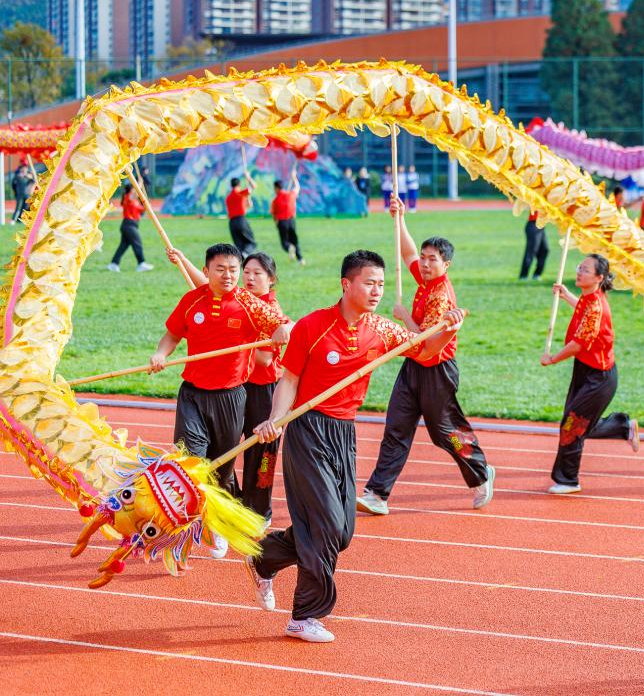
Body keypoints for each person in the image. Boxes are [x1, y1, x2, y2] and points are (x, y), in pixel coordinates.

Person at [245, 250, 464, 643]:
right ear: (346, 284)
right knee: (326, 526)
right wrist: (276, 420)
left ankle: (265, 557)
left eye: (381, 284)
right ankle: (305, 616)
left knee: (342, 533)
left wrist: (448, 329)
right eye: (369, 283)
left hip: (344, 433)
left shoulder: (383, 330)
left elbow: (426, 351)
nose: (377, 290)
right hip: (308, 430)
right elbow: (289, 380)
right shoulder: (313, 326)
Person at [150, 244, 290, 557]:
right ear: (207, 270)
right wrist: (160, 354)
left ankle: (219, 523)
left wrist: (283, 330)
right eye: (220, 269)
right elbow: (172, 334)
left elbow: (286, 324)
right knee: (191, 461)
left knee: (221, 469)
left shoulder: (250, 304)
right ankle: (191, 522)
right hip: (192, 393)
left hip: (231, 397)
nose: (228, 275)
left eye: (233, 270)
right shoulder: (192, 300)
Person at [360, 199, 494, 515]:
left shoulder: (441, 296)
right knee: (396, 427)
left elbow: (427, 344)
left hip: (436, 370)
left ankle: (480, 471)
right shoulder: (424, 280)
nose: (423, 263)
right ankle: (377, 494)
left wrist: (403, 317)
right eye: (424, 257)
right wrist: (400, 219)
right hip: (413, 367)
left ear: (446, 265)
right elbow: (407, 252)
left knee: (445, 434)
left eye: (432, 259)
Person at [540, 254, 639, 493]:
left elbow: (577, 345)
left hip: (599, 378)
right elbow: (584, 310)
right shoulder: (589, 298)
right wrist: (566, 296)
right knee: (577, 422)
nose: (579, 272)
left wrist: (552, 359)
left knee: (572, 425)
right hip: (585, 371)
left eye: (585, 270)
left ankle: (568, 480)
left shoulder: (596, 305)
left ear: (598, 277)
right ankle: (623, 427)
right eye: (579, 267)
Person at [107, 182, 155, 272]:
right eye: (135, 189)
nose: (137, 191)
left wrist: (147, 206)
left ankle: (113, 264)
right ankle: (141, 263)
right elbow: (135, 192)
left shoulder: (135, 201)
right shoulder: (128, 197)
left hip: (132, 225)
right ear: (131, 190)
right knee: (137, 243)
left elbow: (141, 211)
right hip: (128, 225)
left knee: (123, 246)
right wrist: (140, 182)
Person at [271, 168, 304, 265]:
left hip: (282, 222)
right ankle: (301, 260)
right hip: (291, 221)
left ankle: (289, 248)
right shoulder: (291, 195)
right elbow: (297, 187)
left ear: (276, 188)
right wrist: (294, 177)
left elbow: (273, 214)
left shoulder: (275, 200)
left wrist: (276, 223)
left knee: (284, 243)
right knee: (295, 241)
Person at [226, 176, 257, 254]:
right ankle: (245, 254)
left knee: (239, 246)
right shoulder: (240, 193)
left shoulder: (228, 197)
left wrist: (247, 200)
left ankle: (241, 258)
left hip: (232, 223)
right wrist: (248, 177)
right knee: (251, 243)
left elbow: (245, 205)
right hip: (241, 220)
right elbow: (254, 186)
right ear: (239, 184)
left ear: (231, 185)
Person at [519, 211, 549, 280]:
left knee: (545, 250)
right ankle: (523, 275)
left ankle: (537, 274)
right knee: (531, 251)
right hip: (533, 224)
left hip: (541, 227)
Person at [10, 156, 35, 224]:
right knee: (18, 207)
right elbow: (14, 183)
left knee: (25, 208)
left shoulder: (29, 175)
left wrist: (29, 176)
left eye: (25, 168)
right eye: (22, 168)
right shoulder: (18, 175)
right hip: (20, 194)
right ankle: (13, 220)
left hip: (27, 194)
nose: (24, 169)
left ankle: (20, 220)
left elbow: (34, 181)